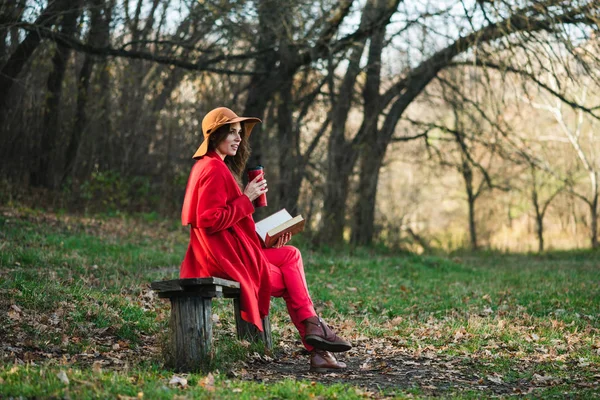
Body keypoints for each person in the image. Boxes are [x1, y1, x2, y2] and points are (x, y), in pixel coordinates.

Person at [180, 106, 351, 372]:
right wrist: (246, 198)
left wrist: (264, 239)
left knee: (291, 254)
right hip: (222, 258)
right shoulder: (212, 169)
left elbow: (230, 224)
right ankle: (317, 343)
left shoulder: (216, 166)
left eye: (240, 133)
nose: (238, 139)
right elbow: (210, 220)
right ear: (214, 136)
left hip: (231, 250)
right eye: (232, 133)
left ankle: (316, 336)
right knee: (287, 281)